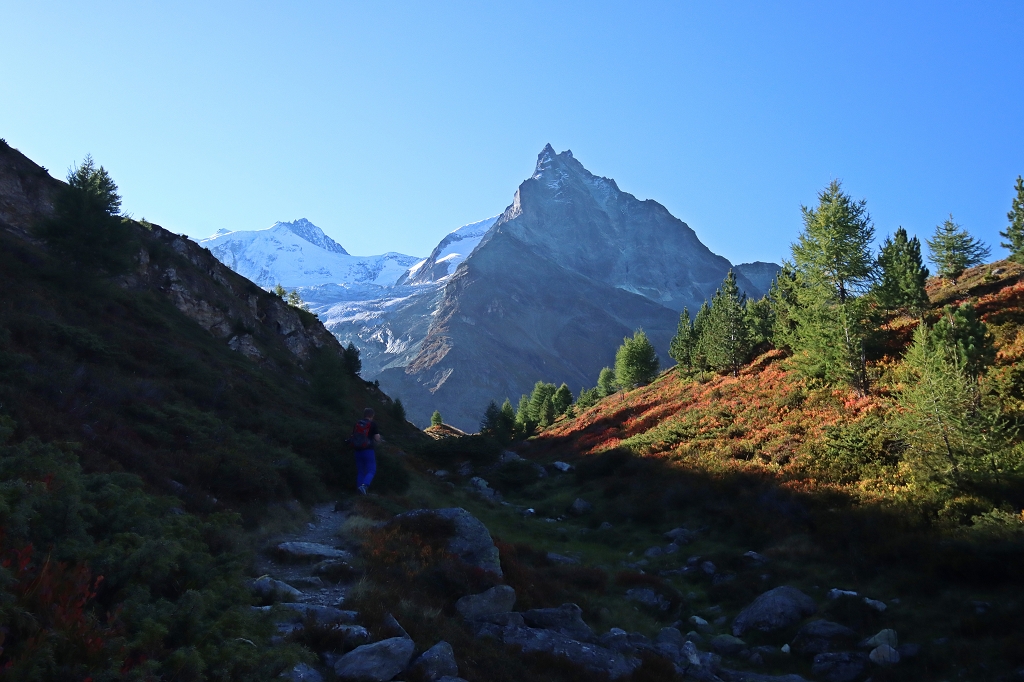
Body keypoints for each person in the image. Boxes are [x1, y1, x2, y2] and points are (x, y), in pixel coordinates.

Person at [351, 407, 382, 495]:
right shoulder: (373, 424)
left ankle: (359, 491)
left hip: (357, 450)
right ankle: (364, 486)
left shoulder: (357, 423)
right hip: (368, 450)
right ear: (372, 415)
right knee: (371, 470)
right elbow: (377, 438)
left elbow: (353, 435)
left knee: (361, 471)